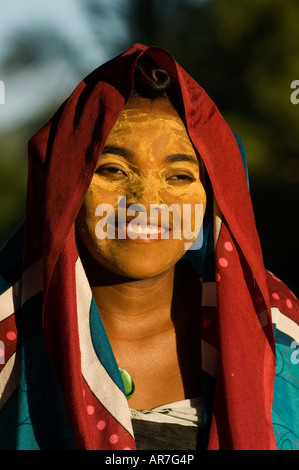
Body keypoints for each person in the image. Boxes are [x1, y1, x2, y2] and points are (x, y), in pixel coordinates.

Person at [0, 43, 298, 451]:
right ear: (66, 185)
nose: (145, 203)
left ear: (214, 196)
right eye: (113, 170)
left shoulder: (280, 330)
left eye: (178, 176)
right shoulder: (9, 330)